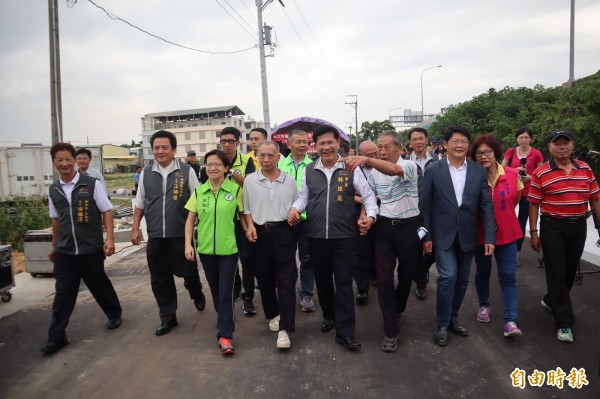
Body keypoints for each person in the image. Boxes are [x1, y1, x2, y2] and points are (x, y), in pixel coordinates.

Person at [288, 124, 378, 350]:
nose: (326, 147)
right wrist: (295, 209)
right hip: (316, 236)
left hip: (345, 237)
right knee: (323, 281)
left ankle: (345, 332)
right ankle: (329, 316)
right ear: (315, 146)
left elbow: (368, 198)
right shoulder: (310, 170)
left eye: (330, 142)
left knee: (345, 283)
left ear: (338, 143)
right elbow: (303, 198)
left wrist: (371, 217)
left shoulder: (350, 168)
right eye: (321, 143)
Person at [343, 131, 421, 353]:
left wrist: (367, 159)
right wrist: (364, 217)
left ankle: (398, 309)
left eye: (387, 147)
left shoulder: (409, 166)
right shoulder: (375, 173)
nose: (383, 151)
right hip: (385, 228)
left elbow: (394, 170)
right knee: (384, 279)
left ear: (399, 148)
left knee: (406, 277)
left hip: (409, 227)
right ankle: (390, 330)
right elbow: (370, 199)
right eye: (380, 147)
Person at [41, 143, 122, 355]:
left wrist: (110, 239)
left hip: (90, 248)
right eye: (60, 160)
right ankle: (56, 337)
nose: (65, 164)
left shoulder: (91, 184)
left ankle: (114, 313)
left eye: (68, 159)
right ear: (54, 163)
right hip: (65, 251)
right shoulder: (53, 189)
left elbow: (106, 211)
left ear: (75, 160)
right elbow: (56, 219)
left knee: (99, 284)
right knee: (63, 295)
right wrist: (53, 245)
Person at [419, 125, 495, 347]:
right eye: (455, 141)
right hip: (442, 235)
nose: (460, 145)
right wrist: (426, 236)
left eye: (464, 141)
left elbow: (485, 206)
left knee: (462, 279)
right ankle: (442, 324)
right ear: (445, 145)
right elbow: (425, 207)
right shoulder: (434, 170)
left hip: (468, 235)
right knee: (448, 277)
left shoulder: (477, 171)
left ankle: (453, 318)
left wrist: (489, 236)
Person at [131, 130, 206, 336]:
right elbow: (140, 204)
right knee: (160, 278)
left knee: (188, 271)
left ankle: (196, 291)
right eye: (156, 148)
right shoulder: (146, 173)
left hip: (180, 234)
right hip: (155, 236)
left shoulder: (186, 171)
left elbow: (197, 199)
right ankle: (168, 317)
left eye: (165, 147)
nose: (160, 151)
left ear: (173, 150)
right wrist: (135, 228)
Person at [528, 129, 600, 343]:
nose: (562, 147)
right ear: (549, 147)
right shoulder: (541, 172)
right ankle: (565, 322)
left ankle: (552, 299)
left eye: (565, 143)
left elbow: (595, 198)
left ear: (572, 144)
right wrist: (534, 232)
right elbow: (534, 204)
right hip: (553, 227)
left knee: (569, 270)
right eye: (556, 143)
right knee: (557, 271)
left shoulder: (585, 169)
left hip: (578, 226)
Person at [184, 149, 244, 355]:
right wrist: (188, 244)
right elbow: (190, 220)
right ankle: (223, 318)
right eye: (208, 164)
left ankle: (225, 334)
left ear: (227, 168)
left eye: (217, 164)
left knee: (226, 290)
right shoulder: (199, 192)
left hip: (228, 249)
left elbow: (244, 215)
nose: (212, 167)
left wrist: (250, 228)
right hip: (206, 249)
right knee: (216, 289)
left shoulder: (235, 190)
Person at [244, 141, 299, 349]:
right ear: (256, 157)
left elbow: (296, 205)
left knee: (286, 279)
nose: (266, 160)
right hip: (259, 233)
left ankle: (285, 328)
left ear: (278, 157)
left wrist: (295, 216)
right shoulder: (249, 181)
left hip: (284, 232)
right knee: (265, 279)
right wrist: (249, 226)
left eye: (270, 156)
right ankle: (274, 314)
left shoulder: (289, 181)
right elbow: (246, 208)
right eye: (262, 155)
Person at [470, 134, 523, 337]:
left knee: (508, 276)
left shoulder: (511, 174)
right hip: (481, 235)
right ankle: (484, 304)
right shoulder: (472, 178)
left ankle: (511, 319)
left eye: (488, 152)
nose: (484, 156)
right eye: (479, 153)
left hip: (508, 234)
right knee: (483, 272)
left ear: (496, 153)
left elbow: (515, 200)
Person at [278, 130, 316, 313]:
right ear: (289, 145)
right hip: (284, 220)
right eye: (298, 142)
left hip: (307, 220)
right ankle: (286, 291)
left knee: (307, 257)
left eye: (305, 142)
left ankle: (307, 292)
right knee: (285, 258)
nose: (303, 145)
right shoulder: (280, 165)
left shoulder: (314, 165)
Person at [501, 128, 544, 262]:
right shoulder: (511, 151)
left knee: (522, 220)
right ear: (516, 139)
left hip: (528, 192)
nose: (524, 140)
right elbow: (501, 169)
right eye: (521, 137)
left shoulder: (536, 153)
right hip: (512, 190)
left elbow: (541, 174)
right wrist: (515, 170)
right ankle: (503, 244)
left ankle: (516, 251)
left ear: (531, 138)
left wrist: (531, 177)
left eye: (526, 137)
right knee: (507, 217)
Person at [408, 127, 440, 300]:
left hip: (434, 212)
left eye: (421, 138)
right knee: (413, 249)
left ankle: (424, 268)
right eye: (415, 139)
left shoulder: (438, 160)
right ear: (410, 142)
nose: (418, 142)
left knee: (432, 250)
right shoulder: (404, 162)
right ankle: (421, 283)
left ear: (427, 140)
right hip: (411, 213)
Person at [353, 140, 379, 299]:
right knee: (360, 252)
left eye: (375, 153)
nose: (374, 157)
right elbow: (343, 191)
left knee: (378, 249)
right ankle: (362, 288)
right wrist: (363, 200)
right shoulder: (352, 169)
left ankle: (375, 275)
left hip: (382, 215)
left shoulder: (384, 167)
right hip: (358, 217)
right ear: (361, 155)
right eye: (369, 155)